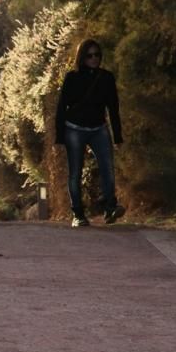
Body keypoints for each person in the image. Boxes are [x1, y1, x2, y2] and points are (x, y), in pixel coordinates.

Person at [54, 39, 125, 227]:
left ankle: (110, 206)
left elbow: (113, 108)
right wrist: (60, 135)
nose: (94, 59)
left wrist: (117, 136)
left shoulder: (106, 77)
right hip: (74, 129)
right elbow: (62, 107)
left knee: (107, 168)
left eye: (97, 55)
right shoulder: (72, 77)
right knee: (75, 172)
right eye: (89, 55)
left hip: (99, 128)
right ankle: (78, 214)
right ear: (82, 57)